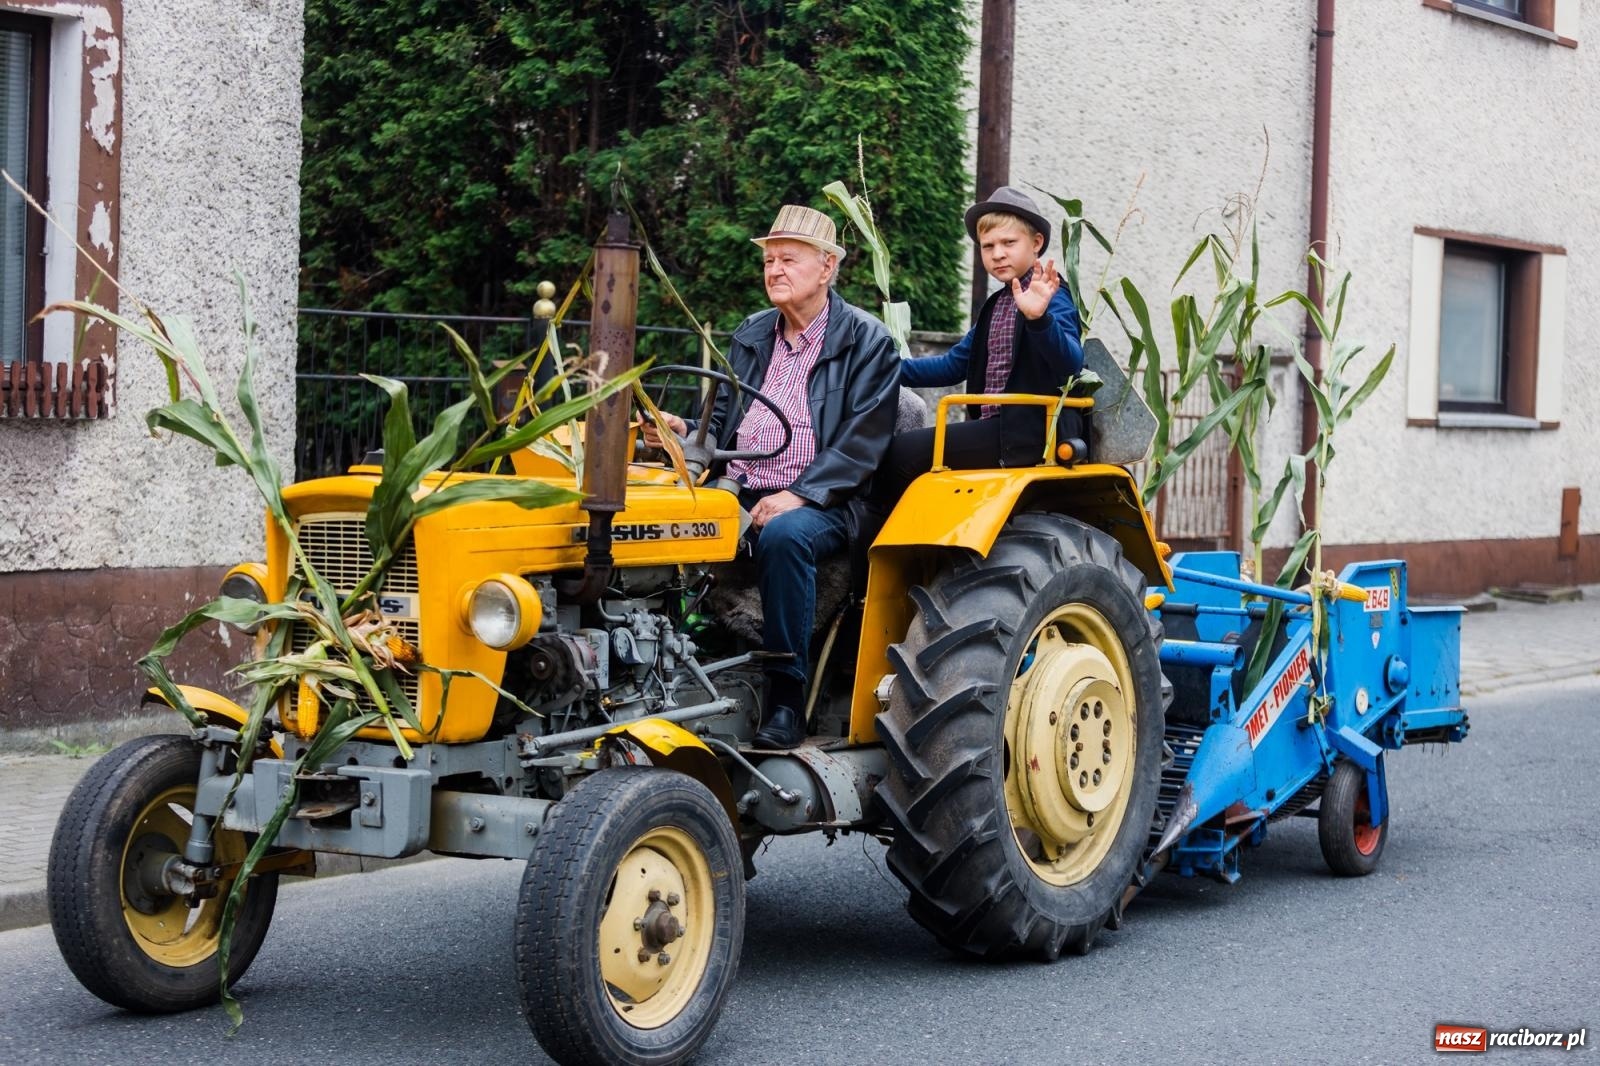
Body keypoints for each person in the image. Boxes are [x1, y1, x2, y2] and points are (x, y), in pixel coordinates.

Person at [645, 205, 900, 749]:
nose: (774, 270)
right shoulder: (754, 333)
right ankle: (661, 672)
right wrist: (681, 430)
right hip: (741, 486)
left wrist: (801, 494)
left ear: (827, 267)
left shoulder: (867, 340)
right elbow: (722, 423)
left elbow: (863, 442)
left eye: (788, 259)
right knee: (649, 517)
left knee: (784, 535)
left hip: (831, 499)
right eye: (768, 260)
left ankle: (786, 697)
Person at [873, 186, 1084, 508]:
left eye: (1009, 243)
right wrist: (880, 367)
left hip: (1029, 433)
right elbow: (953, 365)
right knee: (893, 449)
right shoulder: (997, 304)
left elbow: (1071, 364)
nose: (997, 253)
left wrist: (1038, 320)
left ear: (1036, 243)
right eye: (988, 246)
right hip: (994, 428)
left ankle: (880, 547)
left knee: (900, 455)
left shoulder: (1050, 297)